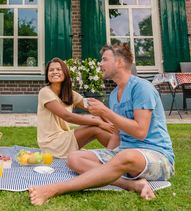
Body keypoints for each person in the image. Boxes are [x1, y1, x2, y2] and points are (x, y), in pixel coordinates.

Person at [29, 44, 174, 205]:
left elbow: (140, 132)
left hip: (157, 156)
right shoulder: (114, 95)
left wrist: (105, 113)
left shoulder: (142, 88)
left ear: (119, 62)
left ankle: (55, 188)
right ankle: (131, 184)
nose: (99, 64)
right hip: (124, 152)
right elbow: (117, 135)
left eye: (104, 59)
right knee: (74, 158)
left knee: (125, 155)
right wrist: (106, 158)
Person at [37, 57, 114, 159]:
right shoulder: (45, 92)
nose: (55, 72)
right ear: (47, 75)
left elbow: (95, 108)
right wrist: (100, 123)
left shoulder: (70, 94)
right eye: (51, 70)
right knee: (96, 127)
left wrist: (110, 123)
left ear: (65, 72)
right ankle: (121, 152)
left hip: (64, 138)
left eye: (58, 69)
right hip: (52, 144)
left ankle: (121, 141)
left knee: (98, 117)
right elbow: (67, 116)